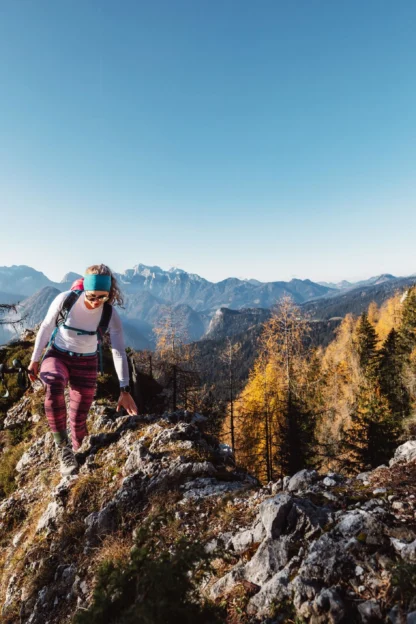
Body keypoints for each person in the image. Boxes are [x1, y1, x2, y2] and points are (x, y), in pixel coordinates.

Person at [27, 264, 137, 476]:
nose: (96, 301)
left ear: (109, 294)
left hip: (87, 363)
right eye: (92, 295)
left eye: (103, 297)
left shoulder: (109, 314)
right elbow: (47, 326)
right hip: (57, 355)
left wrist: (124, 389)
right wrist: (34, 360)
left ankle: (79, 455)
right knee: (54, 382)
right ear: (84, 289)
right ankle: (63, 449)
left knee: (78, 421)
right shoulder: (66, 299)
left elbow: (118, 351)